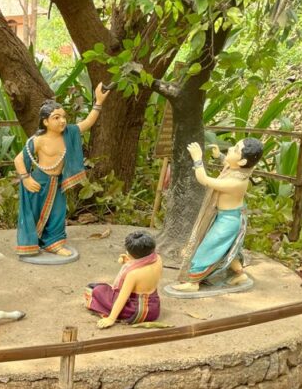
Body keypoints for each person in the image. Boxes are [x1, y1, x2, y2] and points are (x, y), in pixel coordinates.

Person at [14, 83, 111, 259]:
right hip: (39, 183)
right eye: (56, 118)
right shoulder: (38, 140)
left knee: (57, 214)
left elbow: (88, 123)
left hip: (58, 183)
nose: (62, 121)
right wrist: (26, 178)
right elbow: (19, 159)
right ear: (45, 121)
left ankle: (54, 244)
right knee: (33, 215)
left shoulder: (69, 133)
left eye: (64, 117)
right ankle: (31, 243)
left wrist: (99, 101)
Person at [171, 138, 263, 292]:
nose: (231, 148)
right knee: (227, 249)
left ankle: (193, 282)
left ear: (241, 162)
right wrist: (219, 156)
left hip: (228, 221)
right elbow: (229, 166)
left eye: (235, 150)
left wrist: (197, 159)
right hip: (225, 216)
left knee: (207, 247)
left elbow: (204, 179)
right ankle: (240, 274)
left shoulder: (236, 182)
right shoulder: (241, 170)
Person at [85, 230, 163, 328]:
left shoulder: (133, 274)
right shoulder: (158, 259)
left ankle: (115, 314)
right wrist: (130, 261)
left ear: (129, 253)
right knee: (101, 289)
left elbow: (122, 298)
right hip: (154, 309)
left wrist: (111, 319)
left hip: (135, 311)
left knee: (96, 290)